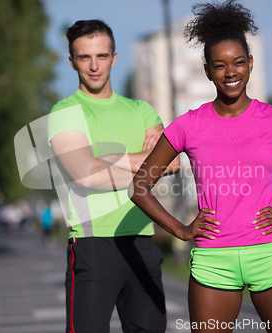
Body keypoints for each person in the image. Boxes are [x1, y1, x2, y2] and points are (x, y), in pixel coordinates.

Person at [129, 1, 272, 332]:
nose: (230, 72)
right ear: (207, 71)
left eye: (237, 63)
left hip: (271, 257)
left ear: (250, 64)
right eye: (219, 65)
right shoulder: (187, 126)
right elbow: (139, 187)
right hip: (212, 264)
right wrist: (181, 230)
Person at [47, 19, 179, 333]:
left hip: (142, 243)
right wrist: (147, 164)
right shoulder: (65, 113)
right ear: (72, 62)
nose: (94, 66)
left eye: (102, 56)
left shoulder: (142, 110)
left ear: (114, 57)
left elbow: (172, 164)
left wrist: (105, 159)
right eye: (84, 57)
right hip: (93, 246)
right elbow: (86, 175)